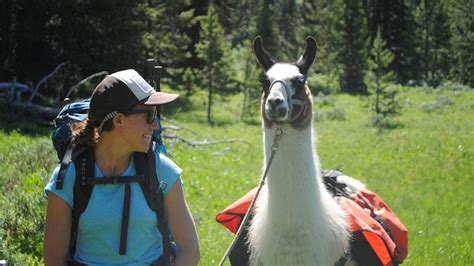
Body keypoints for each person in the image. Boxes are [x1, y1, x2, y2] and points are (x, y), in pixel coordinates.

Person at [43, 69, 200, 265]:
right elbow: (53, 260)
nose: (156, 126)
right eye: (149, 116)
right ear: (119, 120)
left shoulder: (163, 171)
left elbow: (190, 251)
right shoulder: (68, 177)